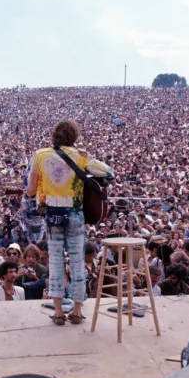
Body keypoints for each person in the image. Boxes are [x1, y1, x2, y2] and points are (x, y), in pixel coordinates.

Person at [25, 120, 115, 325]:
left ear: (54, 135)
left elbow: (30, 188)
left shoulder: (40, 155)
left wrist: (32, 193)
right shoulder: (81, 156)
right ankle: (76, 311)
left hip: (52, 214)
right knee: (77, 263)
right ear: (75, 136)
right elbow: (109, 173)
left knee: (55, 263)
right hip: (75, 214)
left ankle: (58, 312)